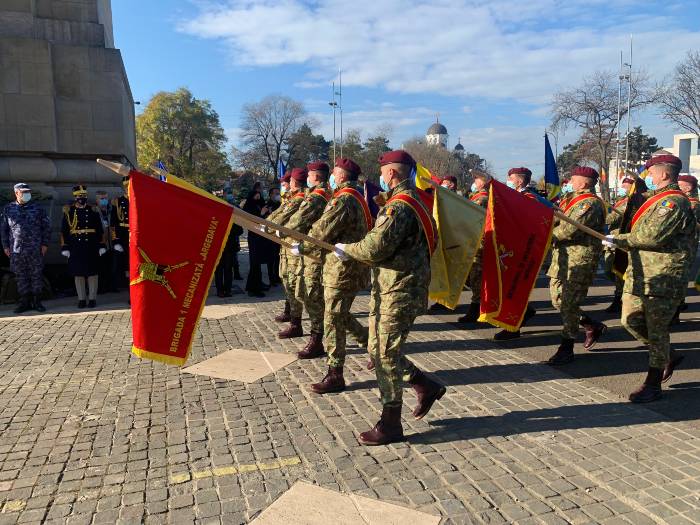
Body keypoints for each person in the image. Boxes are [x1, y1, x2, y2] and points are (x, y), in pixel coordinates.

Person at [334, 150, 446, 446]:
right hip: (392, 286)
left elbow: (375, 247)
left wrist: (346, 248)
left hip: (399, 289)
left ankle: (391, 423)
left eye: (383, 173)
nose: (381, 178)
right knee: (378, 347)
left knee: (384, 353)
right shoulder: (416, 201)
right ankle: (425, 384)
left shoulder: (400, 206)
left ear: (392, 174)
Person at [604, 155, 695, 402]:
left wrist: (618, 239)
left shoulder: (673, 203)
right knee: (630, 320)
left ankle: (653, 384)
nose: (649, 178)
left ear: (664, 174)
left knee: (656, 330)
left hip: (662, 277)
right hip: (641, 272)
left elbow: (651, 236)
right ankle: (668, 355)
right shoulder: (655, 200)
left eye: (651, 173)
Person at [297, 158, 371, 391]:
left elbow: (322, 230)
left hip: (342, 271)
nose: (332, 178)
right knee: (340, 315)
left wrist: (301, 245)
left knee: (333, 320)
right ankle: (373, 348)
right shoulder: (351, 196)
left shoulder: (345, 199)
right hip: (343, 269)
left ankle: (335, 373)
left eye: (334, 173)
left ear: (340, 176)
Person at [545, 167, 607, 365]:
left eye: (574, 179)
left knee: (569, 304)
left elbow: (567, 231)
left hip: (578, 261)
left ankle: (566, 347)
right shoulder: (571, 200)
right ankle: (591, 324)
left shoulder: (588, 204)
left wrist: (540, 234)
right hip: (563, 260)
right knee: (558, 300)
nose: (570, 181)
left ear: (585, 182)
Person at [283, 162, 332, 357]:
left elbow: (297, 221)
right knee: (307, 295)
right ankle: (316, 336)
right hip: (308, 252)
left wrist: (273, 227)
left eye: (310, 176)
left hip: (314, 255)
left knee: (313, 298)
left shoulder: (318, 197)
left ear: (316, 177)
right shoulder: (317, 195)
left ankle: (317, 339)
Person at [494, 167, 539, 340]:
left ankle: (514, 326)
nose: (508, 181)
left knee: (515, 286)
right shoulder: (517, 197)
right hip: (511, 248)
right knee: (509, 286)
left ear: (519, 181)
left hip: (521, 249)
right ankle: (523, 313)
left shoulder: (529, 198)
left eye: (510, 178)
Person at [1, 183, 50, 313]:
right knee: (20, 276)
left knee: (36, 275)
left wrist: (45, 244)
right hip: (16, 250)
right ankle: (24, 302)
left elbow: (46, 227)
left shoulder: (38, 209)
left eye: (28, 192)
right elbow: (4, 229)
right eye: (23, 192)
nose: (27, 194)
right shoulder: (8, 209)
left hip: (35, 249)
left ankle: (37, 301)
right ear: (16, 193)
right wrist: (5, 246)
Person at [270, 169, 308, 337]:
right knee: (288, 283)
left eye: (287, 182)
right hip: (287, 247)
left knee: (294, 286)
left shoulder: (300, 198)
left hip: (294, 248)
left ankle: (296, 323)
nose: (285, 186)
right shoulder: (291, 198)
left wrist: (271, 226)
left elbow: (286, 219)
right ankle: (293, 318)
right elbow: (277, 215)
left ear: (294, 182)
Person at [61, 185, 107, 308]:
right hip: (75, 245)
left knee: (92, 273)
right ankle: (81, 298)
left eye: (84, 196)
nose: (82, 198)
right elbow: (64, 230)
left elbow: (99, 229)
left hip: (91, 244)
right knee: (78, 273)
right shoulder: (68, 211)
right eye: (80, 196)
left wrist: (101, 244)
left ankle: (92, 298)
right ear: (75, 197)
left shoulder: (93, 210)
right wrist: (65, 247)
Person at [458, 170, 491, 323]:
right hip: (475, 240)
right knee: (473, 276)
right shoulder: (478, 197)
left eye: (477, 179)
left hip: (479, 242)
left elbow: (472, 218)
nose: (474, 182)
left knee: (476, 275)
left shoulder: (482, 198)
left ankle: (476, 308)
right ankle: (480, 305)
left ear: (483, 182)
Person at [603, 177, 634, 312]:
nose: (624, 189)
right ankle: (620, 296)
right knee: (610, 269)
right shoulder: (621, 201)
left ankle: (619, 299)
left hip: (619, 239)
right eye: (623, 186)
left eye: (627, 186)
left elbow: (611, 218)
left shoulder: (628, 202)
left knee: (619, 269)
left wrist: (598, 215)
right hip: (612, 239)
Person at [243, 183, 270, 297]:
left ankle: (258, 284)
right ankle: (252, 288)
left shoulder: (259, 203)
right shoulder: (250, 206)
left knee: (258, 263)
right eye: (257, 194)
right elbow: (253, 220)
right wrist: (261, 213)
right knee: (254, 264)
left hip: (260, 237)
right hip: (254, 237)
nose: (259, 196)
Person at [95, 190, 117, 294]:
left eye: (105, 198)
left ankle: (113, 286)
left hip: (112, 243)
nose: (104, 201)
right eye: (101, 199)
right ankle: (102, 288)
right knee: (101, 267)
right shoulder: (94, 211)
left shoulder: (111, 210)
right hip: (101, 243)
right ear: (97, 200)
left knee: (112, 266)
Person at [110, 176, 130, 290]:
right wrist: (115, 240)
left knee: (134, 264)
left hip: (134, 236)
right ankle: (127, 289)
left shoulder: (137, 199)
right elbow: (113, 224)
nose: (128, 189)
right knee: (124, 265)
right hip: (122, 236)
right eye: (126, 186)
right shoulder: (117, 202)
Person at [264, 187, 283, 286]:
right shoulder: (268, 205)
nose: (277, 195)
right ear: (270, 195)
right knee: (271, 258)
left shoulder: (280, 204)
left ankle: (276, 276)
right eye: (275, 193)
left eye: (278, 193)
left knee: (277, 257)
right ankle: (271, 278)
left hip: (278, 234)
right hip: (270, 235)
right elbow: (265, 219)